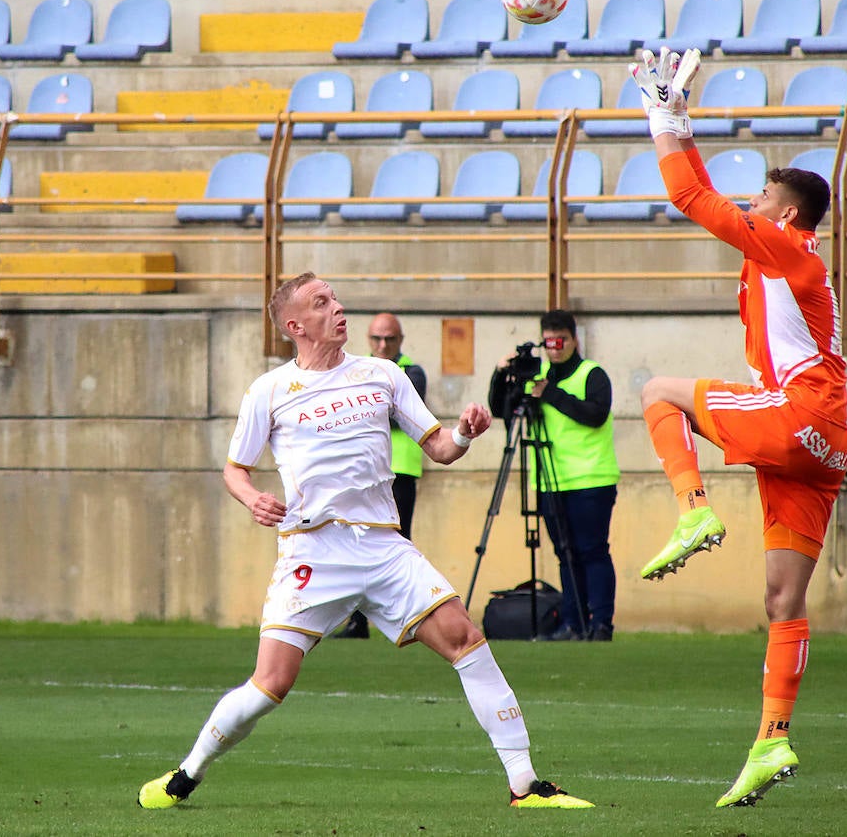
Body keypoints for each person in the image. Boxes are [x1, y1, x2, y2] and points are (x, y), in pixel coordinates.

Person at [136, 273, 591, 811]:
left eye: (336, 298)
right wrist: (251, 497)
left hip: (381, 546)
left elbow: (440, 448)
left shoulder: (383, 374)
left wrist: (465, 431)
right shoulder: (270, 391)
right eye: (322, 303)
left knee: (465, 637)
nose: (339, 308)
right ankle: (186, 774)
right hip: (312, 552)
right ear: (295, 325)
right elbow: (235, 470)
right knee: (271, 684)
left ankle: (526, 785)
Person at [628, 48, 847, 808]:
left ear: (786, 215)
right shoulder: (791, 254)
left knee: (659, 391)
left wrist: (663, 116)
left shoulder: (784, 244)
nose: (748, 206)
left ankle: (693, 512)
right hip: (825, 448)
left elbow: (691, 195)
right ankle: (772, 738)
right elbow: (711, 190)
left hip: (797, 415)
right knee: (781, 601)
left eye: (760, 197)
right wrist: (684, 119)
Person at [487, 310, 619, 641]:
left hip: (591, 479)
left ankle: (600, 623)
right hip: (549, 481)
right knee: (565, 554)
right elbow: (502, 410)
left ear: (574, 340)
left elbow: (595, 415)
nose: (554, 349)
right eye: (549, 342)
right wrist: (500, 376)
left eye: (560, 341)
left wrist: (551, 394)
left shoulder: (593, 374)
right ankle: (572, 623)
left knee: (593, 551)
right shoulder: (537, 375)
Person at [335, 312, 429, 639]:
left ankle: (411, 616)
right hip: (363, 472)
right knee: (358, 544)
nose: (383, 344)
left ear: (400, 340)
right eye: (377, 338)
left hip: (399, 471)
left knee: (399, 546)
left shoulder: (411, 372)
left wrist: (361, 412)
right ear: (368, 340)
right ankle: (359, 621)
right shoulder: (359, 371)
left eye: (389, 338)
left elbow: (391, 413)